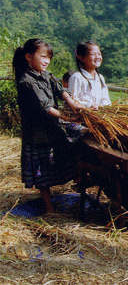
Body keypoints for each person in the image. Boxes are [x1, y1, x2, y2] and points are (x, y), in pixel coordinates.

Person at [13, 38, 84, 214]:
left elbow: (60, 90)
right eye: (43, 56)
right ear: (28, 57)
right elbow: (46, 107)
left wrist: (72, 102)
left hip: (53, 127)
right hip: (38, 133)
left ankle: (78, 184)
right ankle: (48, 207)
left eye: (49, 57)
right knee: (42, 172)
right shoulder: (26, 81)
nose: (46, 61)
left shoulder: (46, 74)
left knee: (80, 140)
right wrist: (68, 117)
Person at [68, 41, 111, 108]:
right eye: (93, 54)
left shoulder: (100, 78)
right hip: (82, 116)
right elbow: (72, 100)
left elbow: (106, 99)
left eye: (99, 54)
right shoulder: (77, 77)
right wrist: (89, 106)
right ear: (81, 58)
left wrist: (103, 106)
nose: (97, 57)